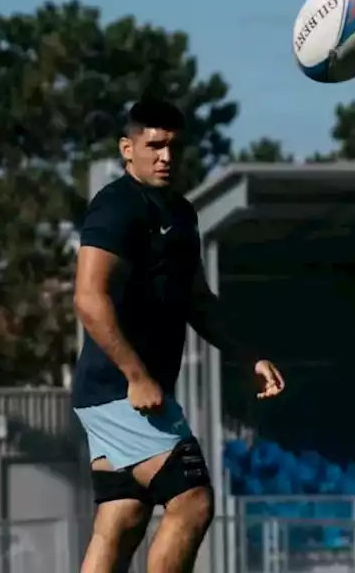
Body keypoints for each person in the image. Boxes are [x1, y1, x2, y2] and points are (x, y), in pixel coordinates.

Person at [72, 99, 286, 573]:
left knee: (124, 515)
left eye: (173, 146)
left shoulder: (182, 214)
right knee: (192, 501)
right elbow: (89, 298)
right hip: (119, 390)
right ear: (128, 149)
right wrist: (136, 376)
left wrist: (248, 356)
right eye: (154, 145)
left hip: (121, 393)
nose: (166, 156)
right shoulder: (116, 205)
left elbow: (198, 302)